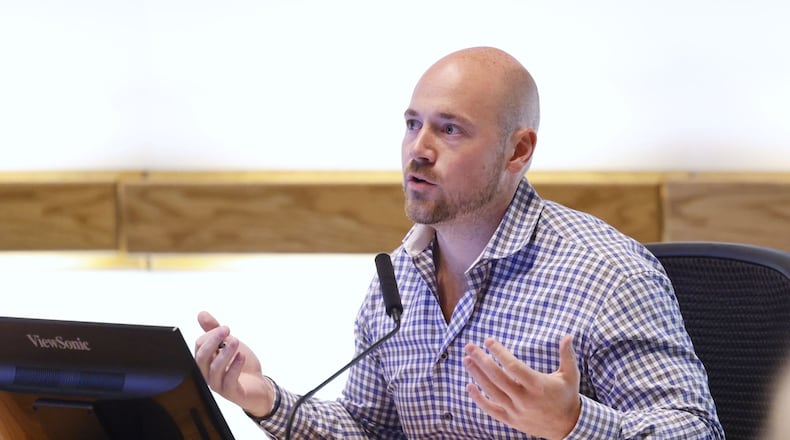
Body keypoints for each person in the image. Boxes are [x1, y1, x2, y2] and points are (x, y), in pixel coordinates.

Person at [194, 46, 724, 439]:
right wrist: (267, 400)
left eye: (449, 130)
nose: (418, 150)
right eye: (412, 125)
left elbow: (697, 432)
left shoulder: (607, 274)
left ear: (518, 151)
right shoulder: (399, 278)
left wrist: (574, 424)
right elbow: (369, 430)